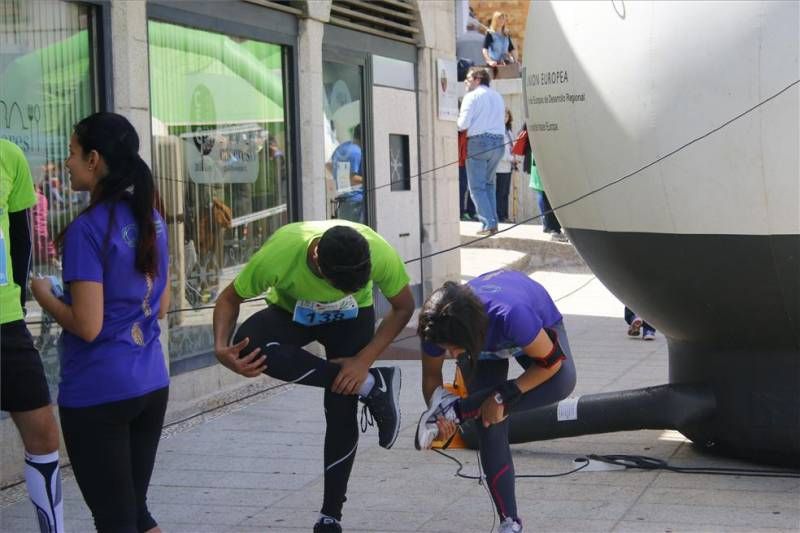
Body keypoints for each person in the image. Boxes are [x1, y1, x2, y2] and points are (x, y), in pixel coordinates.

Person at [212, 220, 415, 533]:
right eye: (336, 286)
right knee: (248, 346)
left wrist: (364, 360)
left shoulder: (377, 250)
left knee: (340, 404)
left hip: (350, 319)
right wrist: (220, 347)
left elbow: (403, 307)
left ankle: (330, 516)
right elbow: (229, 299)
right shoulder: (281, 252)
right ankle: (373, 385)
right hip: (292, 313)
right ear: (317, 259)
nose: (336, 293)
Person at [31, 112, 170, 533]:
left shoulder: (87, 230)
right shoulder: (152, 218)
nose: (67, 162)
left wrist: (44, 296)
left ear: (94, 159)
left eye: (72, 154)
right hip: (150, 383)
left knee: (116, 521)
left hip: (99, 392)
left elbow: (87, 325)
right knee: (135, 513)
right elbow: (161, 306)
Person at [414, 269, 577, 533]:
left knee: (563, 381)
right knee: (489, 423)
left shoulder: (513, 317)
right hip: (480, 341)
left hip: (530, 327)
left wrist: (503, 395)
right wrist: (440, 416)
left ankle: (460, 409)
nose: (451, 355)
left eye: (454, 348)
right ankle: (509, 522)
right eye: (446, 349)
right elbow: (431, 377)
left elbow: (551, 364)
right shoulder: (437, 325)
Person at [0, 139, 64, 533]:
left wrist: (19, 303)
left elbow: (22, 241)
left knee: (42, 431)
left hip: (5, 322)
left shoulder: (9, 155)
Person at [458, 67, 506, 236]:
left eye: (468, 78)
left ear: (478, 79)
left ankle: (488, 224)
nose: (466, 81)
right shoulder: (497, 96)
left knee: (477, 187)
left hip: (479, 142)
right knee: (489, 184)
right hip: (499, 143)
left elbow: (462, 124)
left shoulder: (471, 96)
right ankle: (493, 222)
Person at [329, 124, 364, 223]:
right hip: (355, 202)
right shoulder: (356, 152)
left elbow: (328, 165)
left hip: (344, 199)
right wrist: (371, 179)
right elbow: (352, 179)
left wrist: (339, 178)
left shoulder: (343, 147)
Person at [529, 154, 567, 242]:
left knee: (545, 195)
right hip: (542, 165)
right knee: (544, 196)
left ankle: (549, 226)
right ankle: (551, 228)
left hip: (545, 165)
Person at [495, 108, 518, 223]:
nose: (505, 118)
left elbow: (512, 147)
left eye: (507, 116)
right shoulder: (498, 131)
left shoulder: (508, 131)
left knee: (506, 193)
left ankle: (505, 215)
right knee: (500, 192)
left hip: (508, 166)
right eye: (503, 116)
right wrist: (511, 159)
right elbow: (501, 152)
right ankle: (500, 216)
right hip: (500, 166)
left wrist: (515, 158)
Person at [458, 128, 476, 221]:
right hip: (461, 163)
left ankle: (471, 212)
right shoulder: (460, 130)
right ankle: (460, 212)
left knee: (472, 187)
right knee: (462, 188)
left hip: (470, 162)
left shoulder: (472, 130)